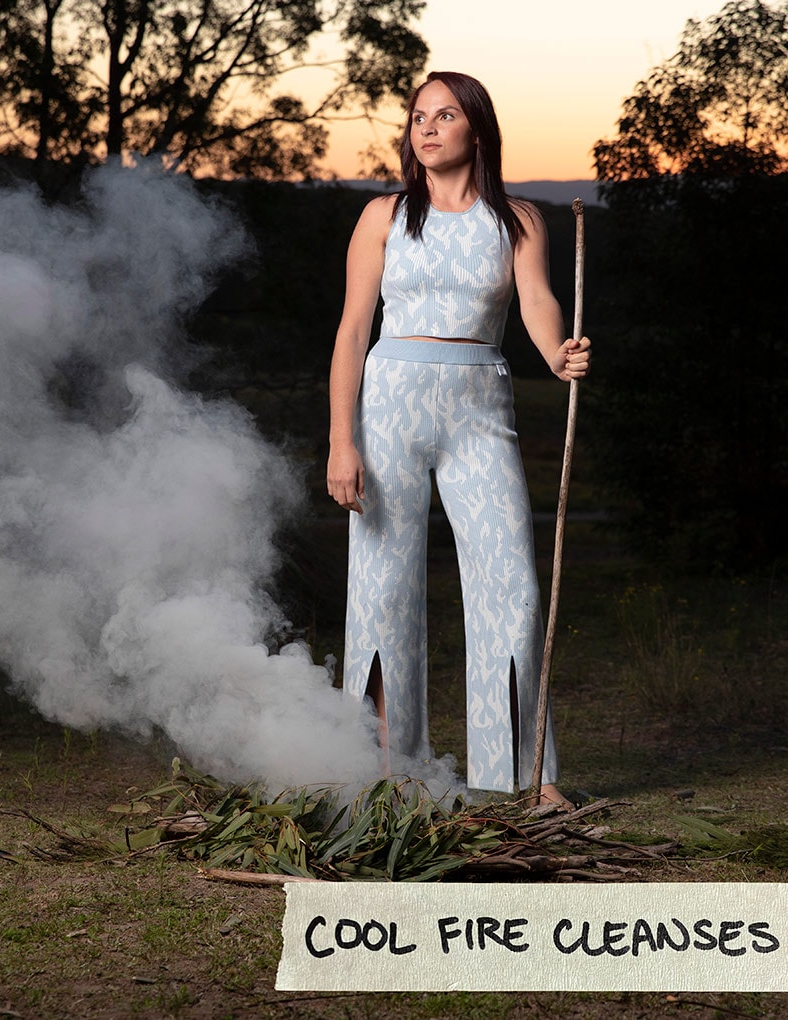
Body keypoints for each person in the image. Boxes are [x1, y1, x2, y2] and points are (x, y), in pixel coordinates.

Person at [326, 71, 590, 806]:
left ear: (478, 128)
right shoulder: (383, 215)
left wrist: (557, 353)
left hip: (480, 411)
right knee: (381, 591)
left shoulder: (518, 219)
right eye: (418, 117)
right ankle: (386, 776)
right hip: (389, 408)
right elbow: (352, 330)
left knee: (513, 587)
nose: (428, 128)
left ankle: (527, 776)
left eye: (445, 115)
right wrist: (342, 440)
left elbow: (536, 299)